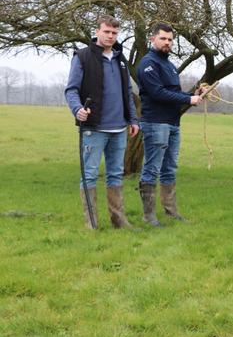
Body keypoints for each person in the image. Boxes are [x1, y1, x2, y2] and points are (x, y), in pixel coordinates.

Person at [65, 15, 140, 229]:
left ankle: (119, 220)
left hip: (119, 128)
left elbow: (127, 91)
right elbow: (71, 90)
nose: (110, 36)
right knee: (89, 174)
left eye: (114, 33)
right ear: (97, 31)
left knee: (115, 173)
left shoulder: (120, 59)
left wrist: (133, 119)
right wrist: (77, 109)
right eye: (106, 31)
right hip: (94, 128)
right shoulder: (82, 57)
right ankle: (92, 224)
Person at [137, 22, 206, 227]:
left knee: (170, 168)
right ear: (153, 39)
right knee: (152, 168)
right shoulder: (148, 64)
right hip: (155, 123)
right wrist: (187, 100)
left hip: (173, 123)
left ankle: (171, 212)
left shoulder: (169, 65)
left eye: (170, 39)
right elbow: (157, 92)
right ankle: (148, 216)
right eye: (163, 38)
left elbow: (173, 93)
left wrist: (193, 96)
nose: (167, 42)